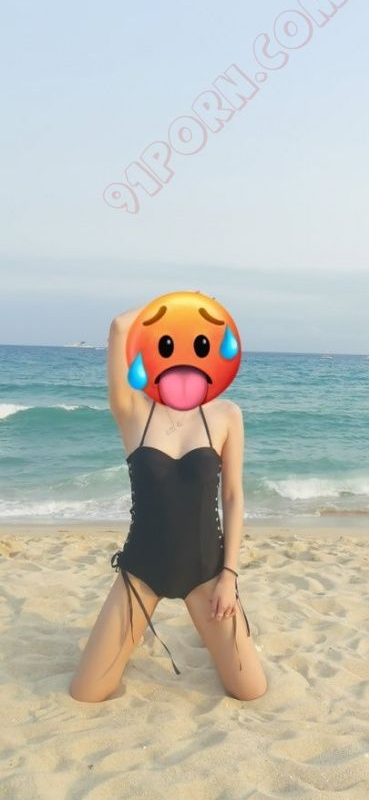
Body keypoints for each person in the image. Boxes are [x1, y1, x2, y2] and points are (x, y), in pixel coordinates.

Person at [69, 299, 267, 702]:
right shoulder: (132, 411)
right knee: (86, 693)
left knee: (250, 690)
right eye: (167, 342)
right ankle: (135, 636)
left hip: (206, 571)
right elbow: (118, 326)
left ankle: (210, 639)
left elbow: (232, 495)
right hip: (142, 569)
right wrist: (173, 304)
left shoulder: (226, 414)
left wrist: (229, 575)